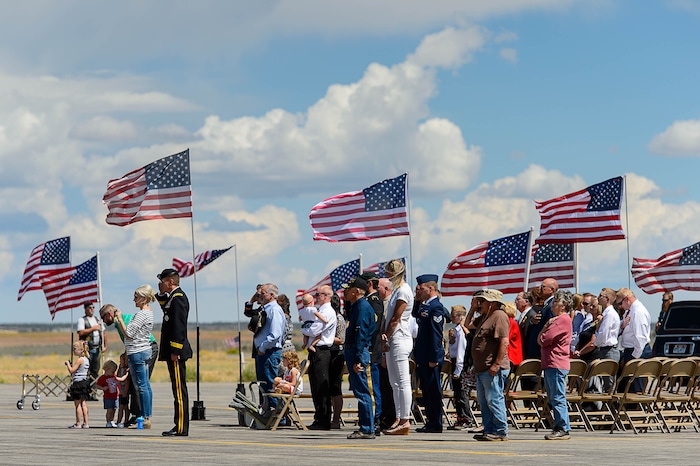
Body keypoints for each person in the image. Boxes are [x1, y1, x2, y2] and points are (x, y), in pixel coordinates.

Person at [99, 303, 159, 427]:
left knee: (140, 382)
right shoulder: (125, 318)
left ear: (109, 315)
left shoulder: (121, 322)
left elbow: (129, 338)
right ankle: (138, 414)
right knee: (137, 382)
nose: (103, 321)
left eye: (103, 318)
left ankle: (140, 415)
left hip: (145, 348)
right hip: (143, 348)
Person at [468, 289, 510, 442]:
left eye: (482, 301)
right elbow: (468, 324)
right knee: (484, 400)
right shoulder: (486, 316)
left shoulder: (499, 316)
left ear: (491, 303)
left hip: (491, 367)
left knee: (494, 399)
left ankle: (500, 431)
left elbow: (504, 341)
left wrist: (496, 364)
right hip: (481, 367)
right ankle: (489, 429)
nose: (480, 303)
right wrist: (473, 309)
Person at [156, 268, 193, 437]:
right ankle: (178, 425)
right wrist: (161, 294)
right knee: (176, 389)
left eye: (163, 281)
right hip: (172, 350)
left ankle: (181, 427)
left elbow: (178, 327)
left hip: (175, 351)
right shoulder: (173, 298)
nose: (160, 284)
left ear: (170, 282)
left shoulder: (178, 299)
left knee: (179, 390)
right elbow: (167, 314)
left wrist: (175, 349)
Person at [114, 284, 155, 430]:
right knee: (146, 385)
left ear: (144, 298)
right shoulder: (149, 313)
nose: (134, 300)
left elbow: (129, 334)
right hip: (144, 350)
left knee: (141, 386)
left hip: (137, 352)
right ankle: (146, 416)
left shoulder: (141, 314)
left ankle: (145, 417)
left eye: (136, 297)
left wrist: (119, 319)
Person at [342, 275, 377, 439]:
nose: (345, 292)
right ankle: (367, 426)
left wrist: (357, 359)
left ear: (356, 291)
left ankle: (367, 428)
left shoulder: (362, 307)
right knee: (360, 390)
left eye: (348, 290)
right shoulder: (356, 306)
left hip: (358, 351)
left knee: (362, 391)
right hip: (355, 350)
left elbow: (361, 334)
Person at [381, 259, 414, 435]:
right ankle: (399, 417)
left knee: (403, 381)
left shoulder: (403, 291)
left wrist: (386, 334)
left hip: (400, 337)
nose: (386, 275)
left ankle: (405, 419)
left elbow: (396, 318)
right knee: (394, 382)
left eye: (388, 273)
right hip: (393, 340)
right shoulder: (396, 291)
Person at [412, 274, 446, 433]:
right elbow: (414, 314)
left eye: (422, 288)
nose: (420, 290)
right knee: (426, 391)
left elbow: (435, 335)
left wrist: (434, 357)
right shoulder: (425, 306)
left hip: (430, 356)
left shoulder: (436, 307)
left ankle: (436, 423)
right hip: (423, 355)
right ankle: (430, 421)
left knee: (433, 391)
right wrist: (417, 298)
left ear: (431, 288)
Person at [538, 290, 573, 440]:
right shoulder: (558, 320)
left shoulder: (562, 320)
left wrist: (545, 328)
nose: (552, 305)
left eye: (555, 302)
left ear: (564, 305)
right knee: (553, 396)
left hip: (556, 363)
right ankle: (559, 425)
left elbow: (544, 339)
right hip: (551, 362)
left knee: (557, 396)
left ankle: (562, 427)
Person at [301, 284, 337, 430]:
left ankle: (324, 419)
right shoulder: (319, 310)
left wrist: (303, 328)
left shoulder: (327, 311)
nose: (316, 297)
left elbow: (315, 329)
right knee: (315, 386)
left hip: (322, 350)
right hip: (316, 350)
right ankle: (319, 417)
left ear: (326, 296)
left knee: (322, 385)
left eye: (318, 295)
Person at [254, 283, 286, 416]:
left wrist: (263, 347)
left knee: (271, 384)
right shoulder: (265, 309)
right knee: (264, 384)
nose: (259, 295)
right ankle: (269, 411)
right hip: (263, 352)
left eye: (263, 293)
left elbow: (275, 333)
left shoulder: (274, 310)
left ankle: (279, 414)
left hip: (269, 352)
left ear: (272, 295)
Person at [361, 271, 385, 436]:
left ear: (369, 284)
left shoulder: (374, 302)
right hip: (369, 350)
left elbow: (373, 327)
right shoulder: (367, 301)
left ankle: (376, 420)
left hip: (372, 350)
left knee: (372, 388)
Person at [617, 287, 652, 392]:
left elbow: (640, 338)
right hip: (631, 351)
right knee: (628, 387)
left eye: (620, 303)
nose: (620, 307)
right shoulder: (630, 311)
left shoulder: (638, 312)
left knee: (635, 389)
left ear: (627, 299)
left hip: (637, 352)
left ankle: (636, 408)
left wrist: (634, 358)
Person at [376, 277, 397, 430]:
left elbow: (388, 329)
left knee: (388, 386)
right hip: (382, 350)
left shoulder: (390, 304)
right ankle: (385, 416)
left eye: (379, 287)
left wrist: (384, 354)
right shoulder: (383, 303)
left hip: (387, 350)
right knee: (383, 386)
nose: (377, 289)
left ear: (387, 289)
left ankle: (389, 417)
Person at [447, 305, 471, 430]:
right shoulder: (455, 330)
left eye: (453, 315)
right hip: (454, 360)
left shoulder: (461, 332)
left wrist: (458, 369)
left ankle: (466, 418)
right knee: (457, 393)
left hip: (459, 363)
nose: (451, 317)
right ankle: (460, 417)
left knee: (462, 393)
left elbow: (461, 351)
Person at [329, 293, 346, 430]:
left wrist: (326, 337)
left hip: (337, 353)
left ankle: (336, 419)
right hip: (327, 353)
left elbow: (341, 339)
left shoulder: (338, 319)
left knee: (336, 387)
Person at [76, 301, 104, 384]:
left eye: (93, 307)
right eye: (90, 308)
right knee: (86, 368)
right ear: (85, 309)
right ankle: (85, 387)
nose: (92, 309)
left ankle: (93, 389)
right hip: (86, 348)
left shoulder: (96, 319)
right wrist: (93, 328)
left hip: (96, 347)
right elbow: (81, 332)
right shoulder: (82, 320)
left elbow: (103, 332)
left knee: (95, 369)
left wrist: (105, 345)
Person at [65, 340, 91, 428]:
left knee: (77, 404)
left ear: (81, 350)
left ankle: (78, 423)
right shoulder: (86, 359)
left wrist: (68, 364)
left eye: (75, 349)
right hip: (85, 382)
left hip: (78, 383)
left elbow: (72, 370)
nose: (74, 350)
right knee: (84, 403)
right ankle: (86, 423)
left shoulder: (80, 360)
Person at [95, 359, 120, 427]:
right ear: (106, 369)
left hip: (115, 396)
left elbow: (117, 381)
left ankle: (112, 420)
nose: (114, 373)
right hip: (108, 396)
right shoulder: (103, 378)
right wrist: (103, 388)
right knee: (109, 410)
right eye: (112, 371)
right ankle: (108, 421)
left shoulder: (113, 376)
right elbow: (97, 385)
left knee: (114, 409)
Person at [504, 302, 523, 369]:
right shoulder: (511, 321)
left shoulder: (510, 322)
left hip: (512, 356)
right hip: (513, 355)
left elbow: (506, 337)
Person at [115, 352, 131, 428]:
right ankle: (120, 420)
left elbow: (127, 381)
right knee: (122, 407)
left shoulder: (126, 370)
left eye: (121, 361)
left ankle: (123, 420)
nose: (120, 362)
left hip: (124, 391)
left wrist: (125, 391)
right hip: (120, 390)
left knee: (123, 407)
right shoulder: (120, 368)